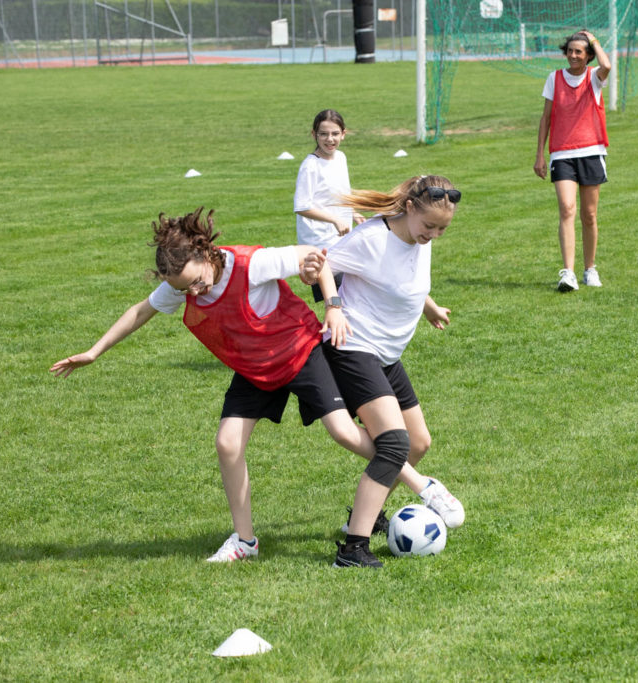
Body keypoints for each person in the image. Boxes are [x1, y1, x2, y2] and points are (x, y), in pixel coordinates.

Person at [49, 207, 462, 567]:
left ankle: (420, 483)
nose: (194, 292)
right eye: (183, 289)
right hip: (255, 368)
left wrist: (332, 304)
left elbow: (315, 257)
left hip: (301, 352)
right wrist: (94, 351)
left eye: (197, 281)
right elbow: (140, 311)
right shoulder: (181, 283)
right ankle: (245, 542)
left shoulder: (251, 264)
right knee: (227, 443)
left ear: (206, 254)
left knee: (341, 431)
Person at [303, 175, 464, 569]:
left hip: (387, 353)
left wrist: (428, 306)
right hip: (353, 348)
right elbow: (319, 264)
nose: (434, 235)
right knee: (393, 444)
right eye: (430, 226)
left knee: (418, 443)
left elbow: (400, 277)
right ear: (410, 209)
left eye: (443, 229)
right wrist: (334, 306)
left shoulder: (417, 236)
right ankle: (353, 549)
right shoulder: (372, 239)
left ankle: (369, 513)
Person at [534, 30, 611, 293]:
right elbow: (546, 118)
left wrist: (594, 40)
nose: (573, 55)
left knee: (589, 215)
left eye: (579, 51)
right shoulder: (554, 78)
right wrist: (539, 155)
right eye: (570, 50)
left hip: (591, 152)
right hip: (562, 153)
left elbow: (607, 65)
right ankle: (568, 273)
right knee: (567, 208)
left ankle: (589, 269)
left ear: (588, 55)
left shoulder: (594, 77)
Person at [294, 109, 364, 302]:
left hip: (341, 239)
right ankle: (333, 331)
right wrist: (334, 219)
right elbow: (302, 206)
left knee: (351, 295)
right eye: (323, 134)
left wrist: (353, 212)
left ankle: (340, 330)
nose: (329, 139)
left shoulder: (340, 158)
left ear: (343, 134)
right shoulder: (310, 166)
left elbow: (336, 194)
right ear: (313, 135)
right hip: (319, 244)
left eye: (334, 134)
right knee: (336, 300)